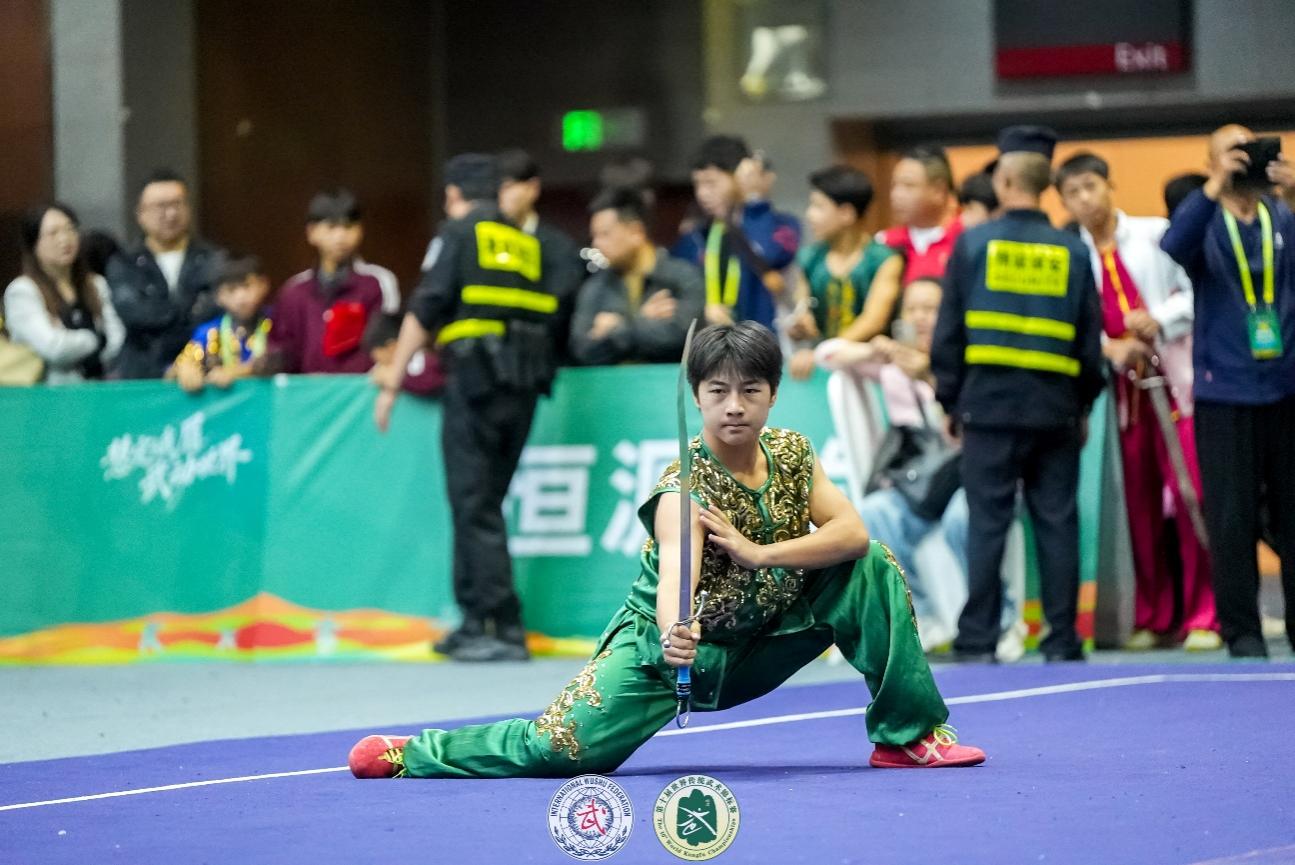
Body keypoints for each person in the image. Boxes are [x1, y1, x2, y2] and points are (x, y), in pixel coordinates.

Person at [348, 322, 985, 779]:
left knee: (870, 567)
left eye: (750, 391)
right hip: (676, 659)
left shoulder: (792, 451)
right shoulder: (682, 490)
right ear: (697, 395)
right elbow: (678, 571)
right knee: (556, 748)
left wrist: (760, 554)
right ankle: (415, 752)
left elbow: (853, 534)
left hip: (767, 635)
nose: (734, 407)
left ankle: (907, 736)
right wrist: (674, 631)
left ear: (772, 394)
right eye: (717, 391)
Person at [374, 153, 569, 663]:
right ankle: (472, 620)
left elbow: (426, 307)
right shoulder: (525, 242)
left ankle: (503, 625)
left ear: (454, 195)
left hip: (475, 383)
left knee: (473, 503)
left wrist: (393, 379)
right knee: (481, 504)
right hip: (522, 388)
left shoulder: (459, 233)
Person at [932, 126, 1105, 663]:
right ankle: (1062, 639)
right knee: (1057, 523)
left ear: (1004, 181)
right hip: (1056, 412)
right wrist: (1082, 405)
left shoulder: (973, 244)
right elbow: (1090, 342)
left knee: (987, 524)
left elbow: (948, 335)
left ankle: (978, 640)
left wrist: (950, 401)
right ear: (1047, 184)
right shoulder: (1072, 250)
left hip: (987, 410)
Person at [1056, 152, 1220, 651]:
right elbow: (1069, 328)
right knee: (1138, 508)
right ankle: (1153, 615)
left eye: (1091, 186)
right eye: (1072, 193)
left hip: (1176, 389)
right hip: (1119, 402)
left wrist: (1159, 320)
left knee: (1192, 497)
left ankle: (1205, 614)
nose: (1085, 199)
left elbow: (1198, 290)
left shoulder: (1157, 235)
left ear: (1110, 186)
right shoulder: (1070, 255)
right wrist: (1107, 348)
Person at [817, 278, 1024, 659]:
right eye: (912, 309)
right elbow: (826, 355)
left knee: (965, 520)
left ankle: (1004, 621)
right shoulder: (892, 367)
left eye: (930, 309)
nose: (921, 318)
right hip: (924, 486)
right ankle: (923, 619)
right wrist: (872, 349)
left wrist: (930, 376)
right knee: (875, 512)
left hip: (976, 477)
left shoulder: (969, 360)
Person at [1160, 125, 1295, 658]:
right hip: (1224, 392)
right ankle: (1243, 634)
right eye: (1230, 153)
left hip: (1285, 388)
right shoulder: (1206, 220)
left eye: (1249, 150)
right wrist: (1213, 186)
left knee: (1291, 516)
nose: (1243, 160)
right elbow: (1173, 246)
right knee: (1231, 519)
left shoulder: (1281, 215)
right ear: (1212, 162)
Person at [257, 188, 398, 375]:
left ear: (360, 230)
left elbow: (388, 346)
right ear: (311, 232)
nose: (341, 237)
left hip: (363, 390)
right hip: (307, 391)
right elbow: (283, 350)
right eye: (331, 227)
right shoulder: (293, 291)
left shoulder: (378, 282)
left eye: (348, 227)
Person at [785, 165, 903, 380]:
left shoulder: (884, 260)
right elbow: (802, 305)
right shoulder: (809, 258)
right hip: (822, 370)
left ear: (846, 213)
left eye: (818, 206)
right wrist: (801, 323)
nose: (809, 214)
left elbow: (873, 320)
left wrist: (825, 351)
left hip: (872, 370)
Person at [671, 136, 800, 332]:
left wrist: (754, 200)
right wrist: (701, 308)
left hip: (764, 342)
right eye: (697, 184)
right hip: (716, 343)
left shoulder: (783, 226)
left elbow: (768, 254)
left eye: (711, 183)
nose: (702, 194)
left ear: (738, 178)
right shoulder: (696, 236)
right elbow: (679, 290)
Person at [106, 169, 222, 379]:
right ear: (140, 214)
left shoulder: (213, 259)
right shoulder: (124, 263)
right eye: (161, 206)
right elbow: (135, 315)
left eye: (177, 204)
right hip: (142, 373)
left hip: (203, 371)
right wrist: (186, 311)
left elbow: (212, 311)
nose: (171, 214)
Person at [570, 186, 704, 365]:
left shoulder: (682, 277)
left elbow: (684, 337)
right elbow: (582, 350)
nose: (596, 243)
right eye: (594, 236)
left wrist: (619, 328)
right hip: (613, 383)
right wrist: (642, 322)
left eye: (604, 234)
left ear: (636, 232)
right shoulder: (595, 288)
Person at [4, 203, 124, 384]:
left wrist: (74, 342)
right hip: (47, 392)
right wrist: (94, 338)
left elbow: (117, 339)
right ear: (34, 243)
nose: (65, 239)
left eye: (70, 229)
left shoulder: (96, 284)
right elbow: (53, 347)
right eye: (53, 233)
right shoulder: (23, 291)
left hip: (98, 387)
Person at [497, 149, 584, 361]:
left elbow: (559, 308)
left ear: (532, 188)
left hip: (544, 357)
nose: (500, 196)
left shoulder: (559, 247)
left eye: (507, 187)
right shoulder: (486, 242)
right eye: (496, 189)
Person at [170, 253, 272, 394]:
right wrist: (184, 370)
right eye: (231, 290)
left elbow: (282, 362)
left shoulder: (277, 323)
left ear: (263, 284)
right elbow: (174, 370)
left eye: (247, 286)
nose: (241, 298)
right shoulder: (209, 332)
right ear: (218, 296)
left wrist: (236, 372)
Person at [881, 144, 963, 282]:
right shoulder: (884, 243)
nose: (896, 195)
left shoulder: (965, 239)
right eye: (894, 185)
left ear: (938, 190)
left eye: (908, 185)